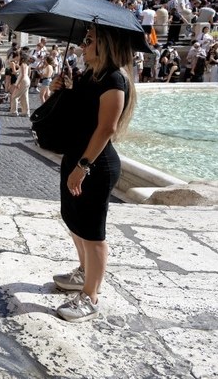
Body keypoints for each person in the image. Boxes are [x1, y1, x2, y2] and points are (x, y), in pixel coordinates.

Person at [50, 24, 136, 322]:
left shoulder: (114, 79)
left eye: (90, 40)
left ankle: (90, 296)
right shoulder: (90, 75)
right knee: (73, 221)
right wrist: (61, 89)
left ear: (106, 45)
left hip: (95, 165)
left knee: (93, 233)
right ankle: (83, 273)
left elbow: (107, 128)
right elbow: (79, 115)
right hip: (77, 157)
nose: (83, 44)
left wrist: (83, 168)